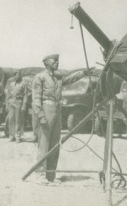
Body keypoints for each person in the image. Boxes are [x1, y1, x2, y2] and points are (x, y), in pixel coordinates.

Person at [32, 54, 87, 182]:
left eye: (58, 60)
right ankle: (40, 174)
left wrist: (84, 72)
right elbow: (36, 99)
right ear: (46, 62)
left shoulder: (57, 77)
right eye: (54, 60)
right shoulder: (40, 77)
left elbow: (71, 79)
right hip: (46, 110)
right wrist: (40, 116)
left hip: (57, 110)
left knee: (55, 144)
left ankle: (50, 175)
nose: (57, 62)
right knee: (44, 143)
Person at [7, 72, 28, 143]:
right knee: (10, 119)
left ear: (20, 76)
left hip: (19, 101)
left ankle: (18, 136)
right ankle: (11, 136)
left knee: (18, 120)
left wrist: (24, 105)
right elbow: (8, 94)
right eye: (15, 75)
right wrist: (7, 103)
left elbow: (25, 95)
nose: (17, 76)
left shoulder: (23, 84)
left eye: (18, 75)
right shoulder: (11, 84)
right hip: (11, 101)